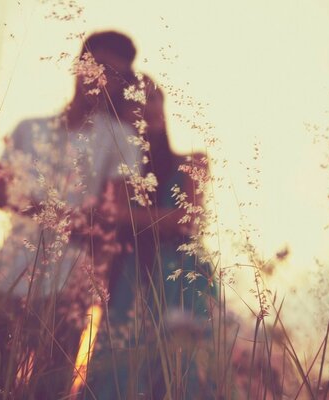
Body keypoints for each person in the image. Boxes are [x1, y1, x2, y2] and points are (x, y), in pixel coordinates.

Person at [0, 31, 144, 399]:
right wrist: (69, 214)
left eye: (113, 75)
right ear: (77, 65)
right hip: (10, 271)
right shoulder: (29, 128)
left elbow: (109, 216)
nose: (99, 80)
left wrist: (39, 205)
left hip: (70, 286)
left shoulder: (122, 140)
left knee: (49, 387)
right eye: (95, 67)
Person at [83, 74, 217, 399]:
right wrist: (145, 219)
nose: (147, 106)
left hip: (182, 279)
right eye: (135, 101)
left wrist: (123, 218)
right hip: (130, 275)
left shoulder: (192, 162)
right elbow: (105, 216)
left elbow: (186, 220)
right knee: (117, 371)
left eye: (154, 97)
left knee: (183, 373)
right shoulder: (118, 170)